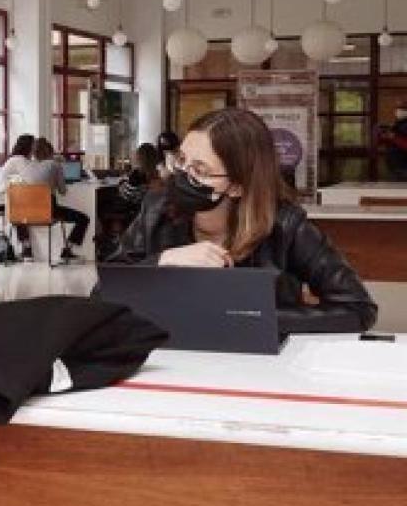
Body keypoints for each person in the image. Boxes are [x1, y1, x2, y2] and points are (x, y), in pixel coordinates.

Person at [107, 108, 377, 334]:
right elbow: (104, 294)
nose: (182, 175)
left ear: (237, 185)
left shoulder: (286, 226)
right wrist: (162, 261)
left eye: (200, 170)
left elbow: (357, 309)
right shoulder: (157, 211)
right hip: (170, 356)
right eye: (181, 161)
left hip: (261, 365)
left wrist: (249, 318)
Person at [11, 138, 90, 262]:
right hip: (48, 212)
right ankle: (67, 251)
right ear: (50, 151)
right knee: (84, 218)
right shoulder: (54, 165)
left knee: (16, 213)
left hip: (26, 213)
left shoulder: (26, 165)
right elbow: (63, 191)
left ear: (33, 152)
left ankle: (27, 250)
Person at [0, 134, 35, 206]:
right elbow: (32, 180)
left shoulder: (16, 159)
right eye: (35, 145)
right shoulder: (19, 160)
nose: (37, 148)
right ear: (29, 146)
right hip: (3, 202)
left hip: (3, 200)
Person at [117, 142, 163, 209]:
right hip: (151, 212)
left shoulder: (137, 174)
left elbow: (128, 194)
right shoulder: (158, 174)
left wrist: (121, 182)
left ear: (139, 158)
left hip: (136, 212)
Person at [378, 104, 407, 181]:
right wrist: (385, 135)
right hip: (394, 162)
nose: (398, 112)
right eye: (398, 110)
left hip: (402, 164)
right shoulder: (397, 123)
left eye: (403, 110)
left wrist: (393, 137)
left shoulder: (403, 124)